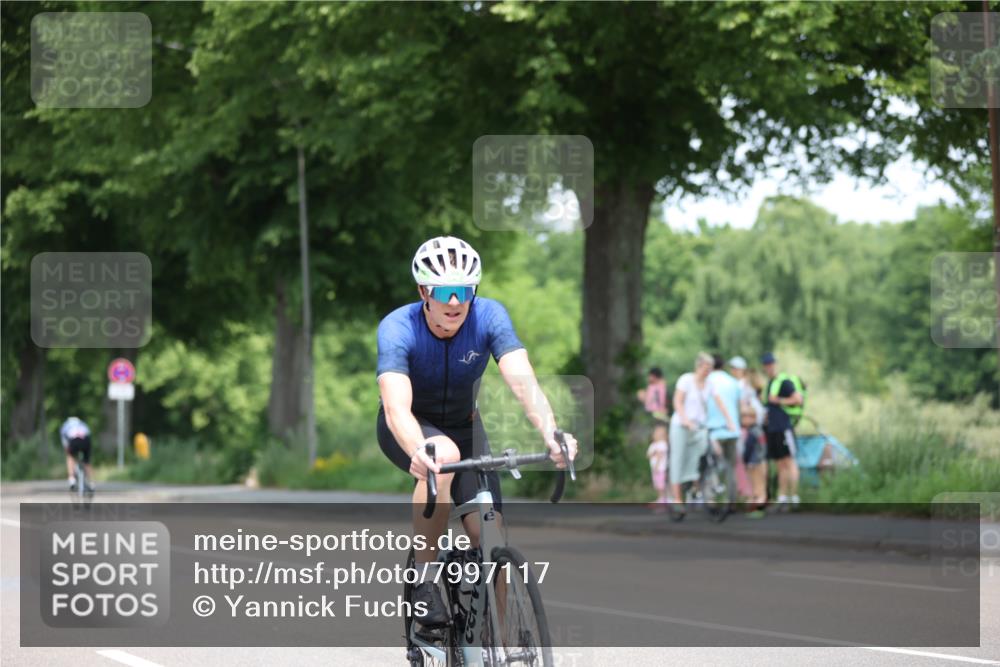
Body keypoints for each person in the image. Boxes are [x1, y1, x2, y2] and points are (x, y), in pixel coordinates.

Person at [376, 235, 578, 629]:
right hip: (410, 427)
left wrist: (553, 434)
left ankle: (495, 645)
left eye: (465, 291)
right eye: (445, 291)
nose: (456, 302)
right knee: (443, 455)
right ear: (424, 292)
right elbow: (396, 406)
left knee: (491, 535)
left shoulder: (489, 316)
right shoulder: (398, 327)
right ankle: (425, 580)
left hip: (466, 427)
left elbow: (524, 384)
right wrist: (420, 449)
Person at [668, 352, 737, 516]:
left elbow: (720, 402)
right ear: (698, 366)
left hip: (699, 426)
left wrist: (729, 421)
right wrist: (685, 419)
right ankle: (677, 500)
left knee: (706, 452)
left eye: (710, 368)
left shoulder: (710, 384)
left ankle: (698, 484)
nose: (708, 371)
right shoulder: (686, 380)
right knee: (678, 459)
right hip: (682, 425)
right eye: (706, 368)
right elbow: (677, 401)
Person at [760, 352, 803, 509]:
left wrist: (778, 400)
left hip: (784, 427)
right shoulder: (770, 384)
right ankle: (782, 496)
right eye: (766, 365)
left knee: (789, 461)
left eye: (771, 364)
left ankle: (794, 496)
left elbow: (798, 399)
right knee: (779, 464)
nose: (768, 368)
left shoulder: (783, 382)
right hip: (772, 429)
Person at [732, 360, 767, 516]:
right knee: (754, 466)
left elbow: (751, 417)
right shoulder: (755, 399)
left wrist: (744, 414)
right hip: (754, 433)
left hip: (754, 433)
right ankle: (757, 498)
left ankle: (759, 500)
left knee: (755, 467)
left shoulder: (750, 399)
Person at [705, 355, 741, 502]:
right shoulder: (733, 382)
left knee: (710, 464)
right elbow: (738, 405)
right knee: (731, 466)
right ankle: (731, 500)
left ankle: (711, 498)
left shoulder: (706, 381)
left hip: (713, 429)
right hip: (732, 429)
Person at [60, 416, 94, 492]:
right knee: (87, 462)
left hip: (74, 440)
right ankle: (91, 483)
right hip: (86, 440)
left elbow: (64, 442)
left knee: (70, 457)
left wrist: (67, 450)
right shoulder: (83, 424)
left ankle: (72, 479)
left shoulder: (65, 425)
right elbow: (89, 434)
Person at [645, 422, 669, 511]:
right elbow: (648, 455)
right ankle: (660, 499)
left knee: (662, 485)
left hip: (661, 469)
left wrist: (657, 465)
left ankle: (664, 500)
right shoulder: (653, 445)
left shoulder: (662, 444)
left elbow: (660, 455)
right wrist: (654, 453)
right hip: (655, 469)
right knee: (657, 485)